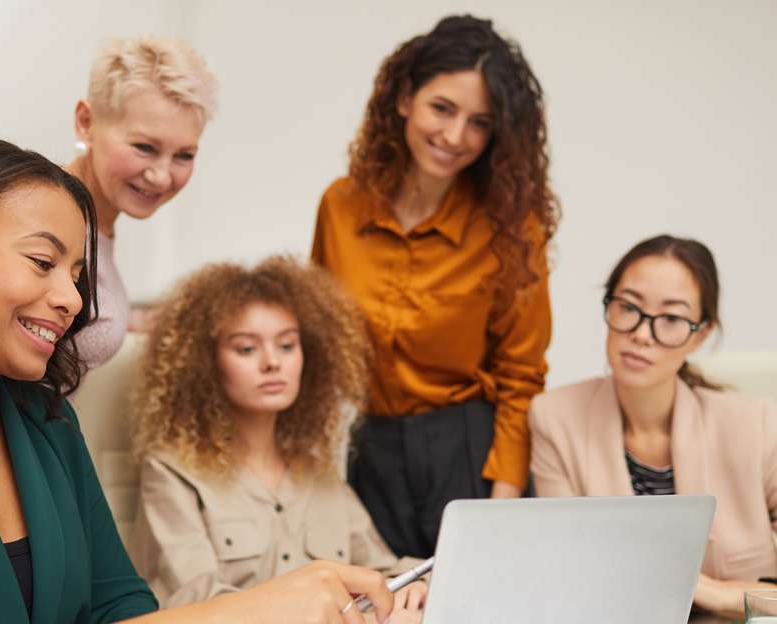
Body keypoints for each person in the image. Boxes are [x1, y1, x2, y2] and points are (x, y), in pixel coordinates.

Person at [0, 135, 404, 624]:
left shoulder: (47, 429)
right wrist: (255, 609)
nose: (70, 299)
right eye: (42, 262)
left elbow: (119, 607)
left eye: (78, 277)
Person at [311, 14, 559, 558]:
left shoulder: (512, 229)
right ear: (404, 97)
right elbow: (319, 343)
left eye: (480, 123)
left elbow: (521, 379)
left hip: (469, 453)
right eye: (442, 108)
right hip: (371, 451)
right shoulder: (340, 206)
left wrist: (503, 503)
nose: (455, 136)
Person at [129, 256, 426, 620]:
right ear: (204, 363)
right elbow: (191, 600)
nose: (272, 362)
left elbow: (380, 571)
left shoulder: (318, 474)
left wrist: (412, 583)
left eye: (287, 345)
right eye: (246, 349)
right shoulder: (172, 472)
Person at [529, 234, 777, 620]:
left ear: (701, 335)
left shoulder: (757, 425)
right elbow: (569, 573)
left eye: (672, 319)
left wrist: (713, 592)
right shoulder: (555, 418)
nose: (642, 334)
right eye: (628, 307)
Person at [67, 36, 218, 370]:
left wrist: (127, 317)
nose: (162, 177)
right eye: (144, 147)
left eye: (184, 155)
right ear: (86, 122)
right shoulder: (44, 217)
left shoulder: (98, 222)